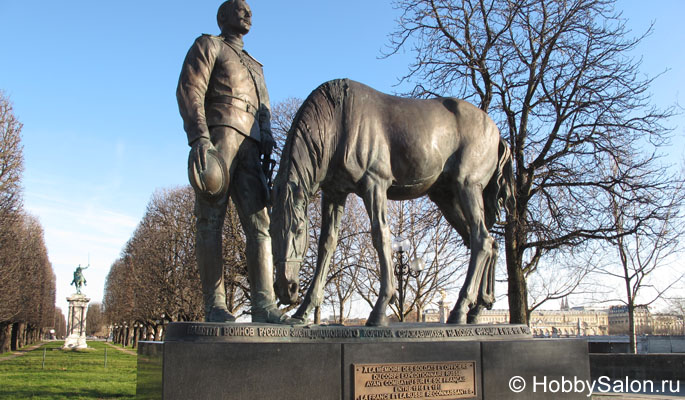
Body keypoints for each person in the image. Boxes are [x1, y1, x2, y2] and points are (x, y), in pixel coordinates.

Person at [177, 0, 289, 323]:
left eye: (249, 9)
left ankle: (264, 305)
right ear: (222, 16)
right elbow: (189, 90)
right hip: (220, 137)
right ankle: (215, 304)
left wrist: (267, 133)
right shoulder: (209, 45)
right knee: (210, 219)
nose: (247, 12)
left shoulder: (256, 66)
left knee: (260, 225)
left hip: (252, 149)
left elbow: (265, 108)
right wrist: (199, 137)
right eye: (239, 8)